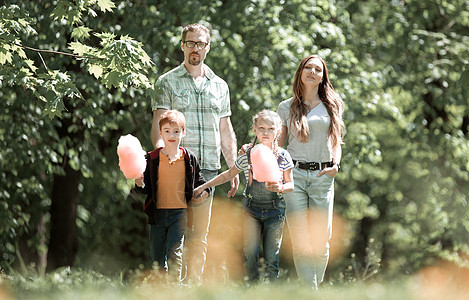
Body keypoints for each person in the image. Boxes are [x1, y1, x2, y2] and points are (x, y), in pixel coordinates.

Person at [150, 23, 239, 284]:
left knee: (199, 235)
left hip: (208, 172)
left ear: (208, 48)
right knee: (173, 233)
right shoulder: (166, 82)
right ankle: (169, 286)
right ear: (182, 46)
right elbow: (157, 128)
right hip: (176, 167)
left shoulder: (220, 86)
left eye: (200, 44)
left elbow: (225, 129)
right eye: (190, 43)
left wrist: (233, 166)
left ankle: (193, 288)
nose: (195, 48)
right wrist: (161, 163)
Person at [193, 110, 294, 283]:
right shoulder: (248, 155)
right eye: (261, 128)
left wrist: (281, 187)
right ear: (254, 130)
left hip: (275, 211)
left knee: (272, 257)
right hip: (251, 211)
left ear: (278, 131)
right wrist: (203, 186)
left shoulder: (282, 156)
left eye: (270, 129)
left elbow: (291, 185)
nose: (265, 132)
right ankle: (251, 289)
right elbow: (228, 174)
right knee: (249, 254)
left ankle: (272, 293)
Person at [277, 55, 345, 290]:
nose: (312, 72)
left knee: (322, 240)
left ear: (322, 77)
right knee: (300, 238)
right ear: (301, 72)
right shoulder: (285, 107)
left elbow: (336, 141)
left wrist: (335, 166)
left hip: (322, 177)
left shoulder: (332, 104)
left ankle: (313, 284)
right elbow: (278, 144)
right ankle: (311, 292)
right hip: (293, 175)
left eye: (318, 69)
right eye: (308, 67)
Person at [134, 110, 211, 282]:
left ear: (183, 132)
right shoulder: (151, 159)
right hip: (158, 214)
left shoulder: (189, 159)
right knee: (157, 257)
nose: (172, 135)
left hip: (180, 213)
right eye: (167, 131)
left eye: (176, 131)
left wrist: (205, 192)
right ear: (160, 133)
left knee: (175, 253)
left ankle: (174, 289)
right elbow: (143, 189)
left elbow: (201, 181)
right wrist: (139, 183)